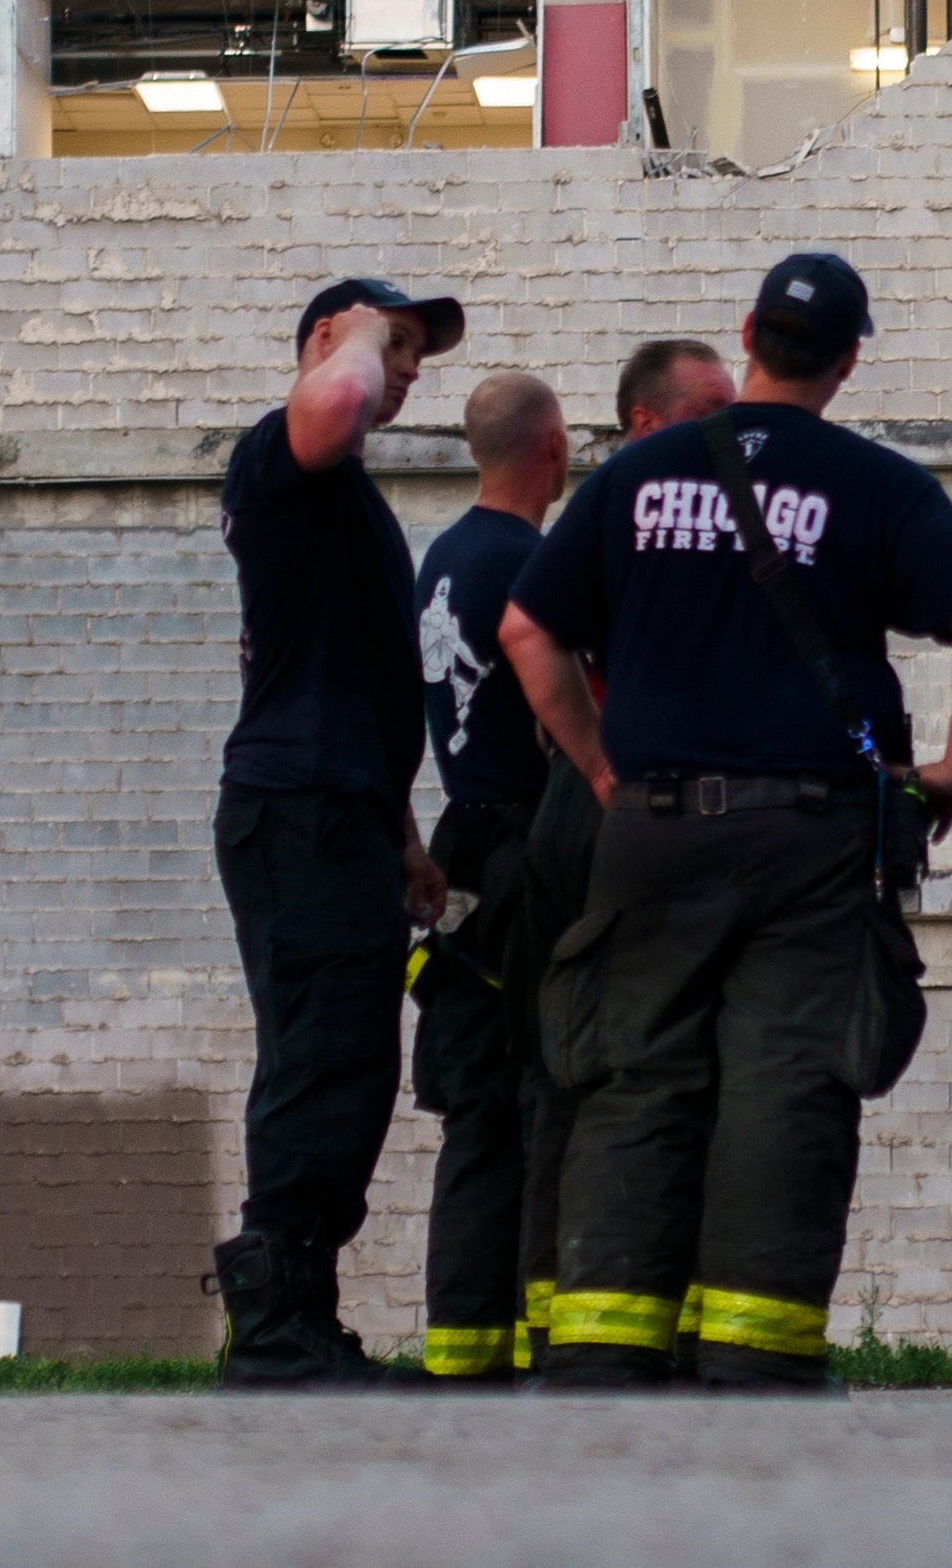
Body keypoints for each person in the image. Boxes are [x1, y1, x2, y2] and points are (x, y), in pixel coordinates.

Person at [496, 253, 952, 1391]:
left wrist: (599, 769)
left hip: (653, 828)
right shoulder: (873, 482)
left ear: (746, 334)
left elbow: (526, 628)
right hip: (809, 836)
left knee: (634, 1075)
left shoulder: (637, 476)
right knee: (785, 1081)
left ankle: (601, 1346)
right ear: (848, 357)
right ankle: (754, 1356)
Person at [211, 274, 464, 1385]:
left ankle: (302, 1318)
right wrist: (355, 338)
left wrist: (401, 832)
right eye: (394, 343)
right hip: (298, 813)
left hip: (341, 811)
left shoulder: (340, 494)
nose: (403, 370)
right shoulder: (282, 454)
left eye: (413, 354)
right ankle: (273, 1331)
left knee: (349, 1065)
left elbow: (353, 678)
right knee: (319, 1061)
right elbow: (331, 403)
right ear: (328, 337)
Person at [497, 337, 743, 1371]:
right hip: (613, 806)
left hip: (613, 803)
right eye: (708, 410)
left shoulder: (634, 510)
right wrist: (598, 762)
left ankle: (599, 1321)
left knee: (625, 1059)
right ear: (643, 421)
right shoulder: (640, 508)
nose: (731, 431)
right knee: (605, 1058)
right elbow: (529, 631)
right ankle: (586, 1324)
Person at [405, 369, 577, 1385]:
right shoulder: (532, 563)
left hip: (459, 850)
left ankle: (462, 1353)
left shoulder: (442, 557)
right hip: (528, 852)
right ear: (552, 448)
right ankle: (548, 1341)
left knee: (475, 1107)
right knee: (544, 1097)